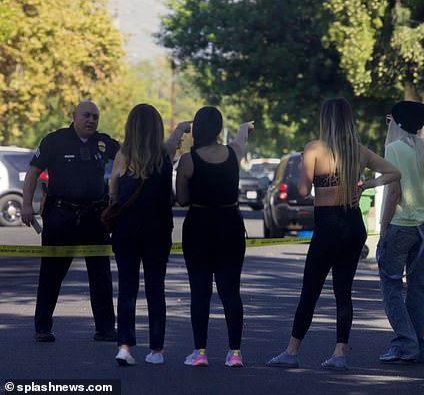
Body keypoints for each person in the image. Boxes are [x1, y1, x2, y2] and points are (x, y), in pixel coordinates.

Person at [266, 97, 400, 371]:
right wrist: (365, 184)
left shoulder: (314, 149)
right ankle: (339, 353)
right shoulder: (358, 151)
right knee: (343, 291)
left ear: (325, 120)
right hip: (352, 225)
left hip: (327, 225)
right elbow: (393, 172)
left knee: (310, 291)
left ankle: (292, 351)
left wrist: (311, 178)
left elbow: (303, 191)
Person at [21, 101, 118, 343]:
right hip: (61, 216)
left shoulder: (104, 142)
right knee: (51, 274)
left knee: (101, 276)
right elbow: (33, 172)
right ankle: (42, 327)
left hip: (95, 218)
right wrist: (26, 205)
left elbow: (128, 160)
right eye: (86, 115)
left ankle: (106, 329)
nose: (91, 120)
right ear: (74, 116)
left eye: (95, 116)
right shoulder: (55, 140)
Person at [108, 104, 191, 366]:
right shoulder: (164, 155)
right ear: (156, 127)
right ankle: (156, 350)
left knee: (127, 288)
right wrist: (182, 128)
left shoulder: (123, 155)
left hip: (126, 231)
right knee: (156, 289)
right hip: (157, 231)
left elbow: (112, 193)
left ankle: (124, 347)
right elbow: (173, 141)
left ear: (130, 127)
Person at [175, 106, 254, 368]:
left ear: (197, 128)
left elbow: (183, 199)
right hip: (230, 224)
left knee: (200, 291)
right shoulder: (234, 153)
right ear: (220, 129)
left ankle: (200, 352)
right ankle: (234, 353)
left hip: (199, 225)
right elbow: (241, 139)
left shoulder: (188, 159)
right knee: (231, 290)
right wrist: (244, 128)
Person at [377, 101, 424, 364]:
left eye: (390, 120)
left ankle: (405, 343)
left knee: (390, 287)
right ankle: (422, 346)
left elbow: (394, 191)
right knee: (417, 289)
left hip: (401, 224)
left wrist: (383, 226)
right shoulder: (423, 148)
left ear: (397, 124)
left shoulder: (393, 149)